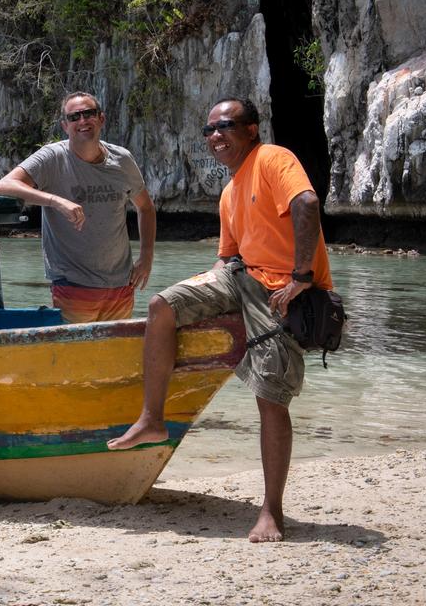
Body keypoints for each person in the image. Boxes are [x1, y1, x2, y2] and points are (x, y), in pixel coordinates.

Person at [107, 97, 333, 543]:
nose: (214, 136)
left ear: (252, 129)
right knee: (162, 306)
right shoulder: (230, 191)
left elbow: (307, 203)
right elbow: (228, 257)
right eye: (208, 130)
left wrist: (301, 278)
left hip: (280, 289)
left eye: (225, 126)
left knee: (270, 395)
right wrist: (204, 288)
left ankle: (271, 511)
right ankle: (153, 418)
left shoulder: (272, 158)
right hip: (240, 277)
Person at [0, 91, 156, 322]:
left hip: (121, 283)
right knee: (76, 355)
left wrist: (147, 257)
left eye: (89, 113)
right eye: (74, 117)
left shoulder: (122, 160)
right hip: (72, 285)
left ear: (101, 119)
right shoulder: (52, 158)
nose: (82, 121)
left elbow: (146, 208)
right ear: (65, 125)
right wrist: (55, 200)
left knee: (114, 354)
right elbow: (3, 186)